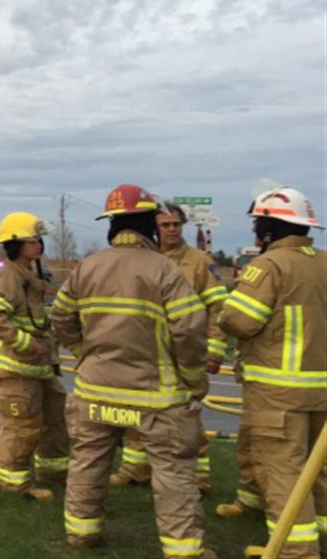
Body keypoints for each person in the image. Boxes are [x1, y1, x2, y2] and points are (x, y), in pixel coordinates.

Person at [51, 183, 214, 558]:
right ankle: (184, 551)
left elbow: (60, 318)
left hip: (95, 392)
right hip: (155, 398)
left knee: (88, 463)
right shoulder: (165, 270)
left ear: (112, 225)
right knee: (173, 474)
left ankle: (81, 533)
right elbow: (189, 329)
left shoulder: (86, 267)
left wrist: (84, 352)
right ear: (149, 224)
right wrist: (193, 378)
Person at [218, 186, 326, 559]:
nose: (255, 232)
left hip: (278, 394)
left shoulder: (269, 266)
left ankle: (296, 552)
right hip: (321, 393)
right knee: (318, 474)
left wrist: (226, 308)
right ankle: (320, 540)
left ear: (270, 227)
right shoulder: (324, 262)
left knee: (283, 474)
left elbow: (239, 320)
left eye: (258, 224)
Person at [111, 201, 229, 489]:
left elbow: (218, 307)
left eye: (176, 224)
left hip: (184, 351)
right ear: (155, 227)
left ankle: (198, 477)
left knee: (186, 416)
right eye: (165, 225)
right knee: (137, 412)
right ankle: (135, 469)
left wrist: (214, 350)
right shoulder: (141, 260)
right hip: (145, 352)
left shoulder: (199, 261)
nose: (172, 230)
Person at [0, 212, 69, 500]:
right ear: (16, 244)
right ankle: (15, 485)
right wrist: (26, 344)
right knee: (22, 429)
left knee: (55, 422)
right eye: (33, 240)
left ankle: (54, 474)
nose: (39, 245)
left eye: (39, 239)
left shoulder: (29, 279)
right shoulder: (8, 279)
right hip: (18, 373)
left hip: (41, 370)